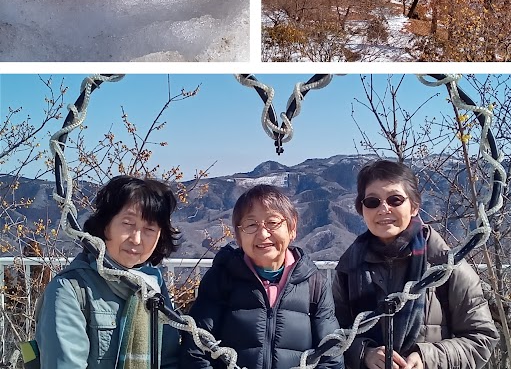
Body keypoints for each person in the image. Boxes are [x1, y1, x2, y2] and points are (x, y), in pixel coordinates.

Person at [332, 160, 498, 369]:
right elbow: (333, 336)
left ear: (414, 206)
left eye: (395, 200)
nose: (384, 209)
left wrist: (426, 358)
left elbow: (482, 339)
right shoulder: (348, 269)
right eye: (373, 202)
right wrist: (364, 353)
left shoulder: (445, 266)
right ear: (362, 209)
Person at [181, 183, 343, 369]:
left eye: (272, 222)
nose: (263, 234)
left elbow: (331, 354)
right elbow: (195, 350)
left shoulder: (313, 283)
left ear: (292, 227)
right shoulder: (221, 279)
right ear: (238, 236)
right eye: (251, 225)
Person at [36, 175, 181, 369]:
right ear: (106, 225)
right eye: (128, 224)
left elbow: (169, 360)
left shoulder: (152, 286)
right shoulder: (70, 290)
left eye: (149, 229)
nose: (137, 239)